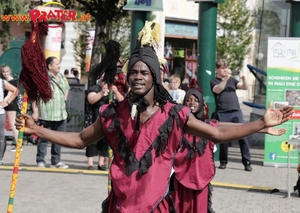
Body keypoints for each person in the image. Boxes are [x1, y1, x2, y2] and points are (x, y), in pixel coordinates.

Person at [15, 22, 293, 212]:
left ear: (155, 79)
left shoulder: (174, 115)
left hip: (158, 205)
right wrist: (37, 129)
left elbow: (217, 133)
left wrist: (261, 123)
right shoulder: (114, 114)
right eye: (133, 71)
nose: (137, 76)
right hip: (119, 205)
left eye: (143, 72)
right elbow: (78, 139)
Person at [210, 58, 252, 171]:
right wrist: (226, 78)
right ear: (217, 69)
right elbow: (217, 90)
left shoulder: (232, 80)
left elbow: (244, 87)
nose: (225, 70)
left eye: (226, 68)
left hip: (236, 111)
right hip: (223, 112)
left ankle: (247, 161)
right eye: (222, 68)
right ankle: (223, 161)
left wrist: (243, 78)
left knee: (243, 136)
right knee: (224, 139)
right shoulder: (214, 81)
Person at [31, 56, 70, 169]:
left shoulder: (62, 77)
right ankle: (41, 160)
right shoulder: (43, 79)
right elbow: (35, 96)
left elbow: (66, 88)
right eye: (56, 63)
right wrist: (35, 111)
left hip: (61, 114)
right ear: (50, 66)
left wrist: (64, 99)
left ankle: (56, 161)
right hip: (47, 114)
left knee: (59, 138)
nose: (59, 65)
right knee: (43, 138)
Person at [86, 75, 124, 170]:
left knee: (104, 142)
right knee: (92, 141)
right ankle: (90, 164)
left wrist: (116, 92)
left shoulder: (112, 91)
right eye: (105, 81)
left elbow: (123, 102)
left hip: (107, 121)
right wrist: (102, 92)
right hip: (94, 119)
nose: (107, 84)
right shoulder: (95, 88)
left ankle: (101, 163)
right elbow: (91, 100)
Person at [0, 64, 20, 152]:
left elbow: (11, 93)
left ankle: (18, 144)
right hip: (8, 104)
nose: (5, 73)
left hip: (10, 104)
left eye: (7, 71)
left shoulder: (10, 81)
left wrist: (4, 102)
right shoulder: (6, 80)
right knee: (12, 125)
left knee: (13, 125)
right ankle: (18, 144)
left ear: (10, 71)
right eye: (4, 72)